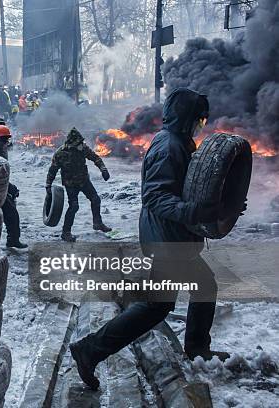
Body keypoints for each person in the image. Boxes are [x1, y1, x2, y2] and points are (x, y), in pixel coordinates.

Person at [69, 88, 233, 391]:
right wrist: (197, 211)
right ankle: (90, 349)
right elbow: (156, 197)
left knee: (200, 287)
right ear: (187, 118)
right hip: (167, 240)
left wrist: (227, 205)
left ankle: (197, 348)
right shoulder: (169, 146)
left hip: (172, 237)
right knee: (157, 305)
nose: (200, 125)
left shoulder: (177, 141)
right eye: (198, 119)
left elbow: (191, 188)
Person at [46, 127, 112, 242]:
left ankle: (97, 223)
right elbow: (52, 170)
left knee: (96, 199)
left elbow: (95, 158)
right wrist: (48, 185)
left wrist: (103, 169)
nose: (82, 144)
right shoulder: (60, 153)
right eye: (79, 142)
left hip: (84, 180)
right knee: (74, 206)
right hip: (70, 183)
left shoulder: (83, 149)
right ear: (72, 143)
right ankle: (65, 232)